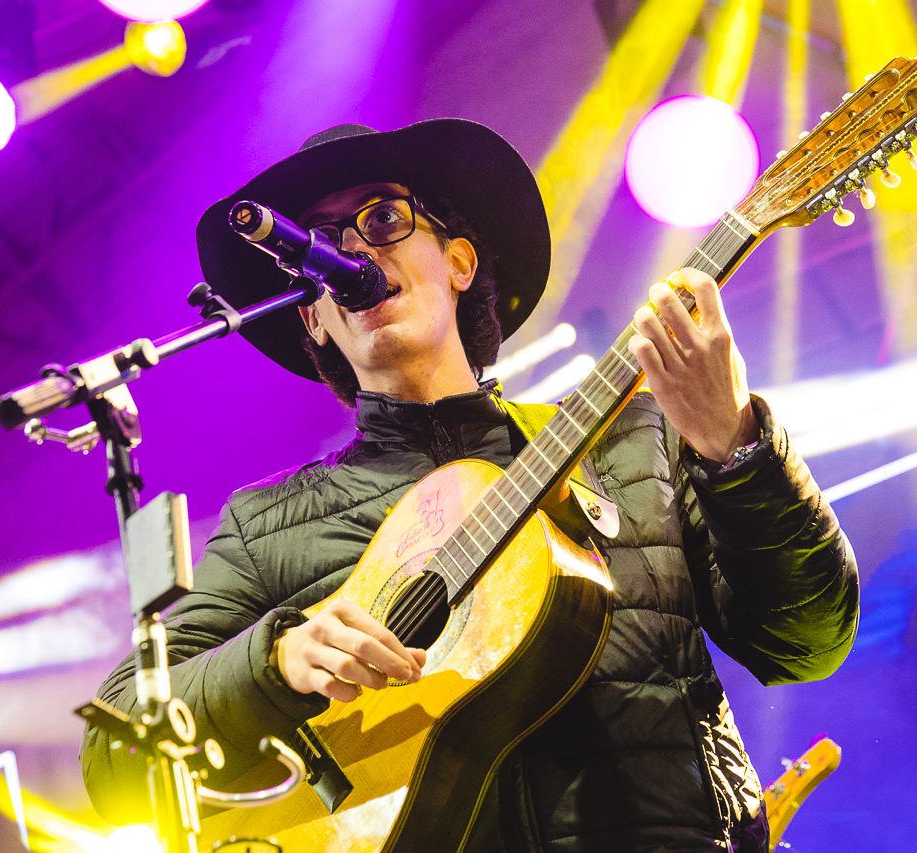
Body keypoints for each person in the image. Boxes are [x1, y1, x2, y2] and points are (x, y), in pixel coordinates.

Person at [80, 119, 860, 852]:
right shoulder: (267, 525)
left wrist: (738, 448)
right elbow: (115, 755)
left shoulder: (634, 441)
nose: (352, 252)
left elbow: (807, 639)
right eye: (318, 244)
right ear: (313, 317)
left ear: (459, 262)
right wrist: (276, 657)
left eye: (383, 219)